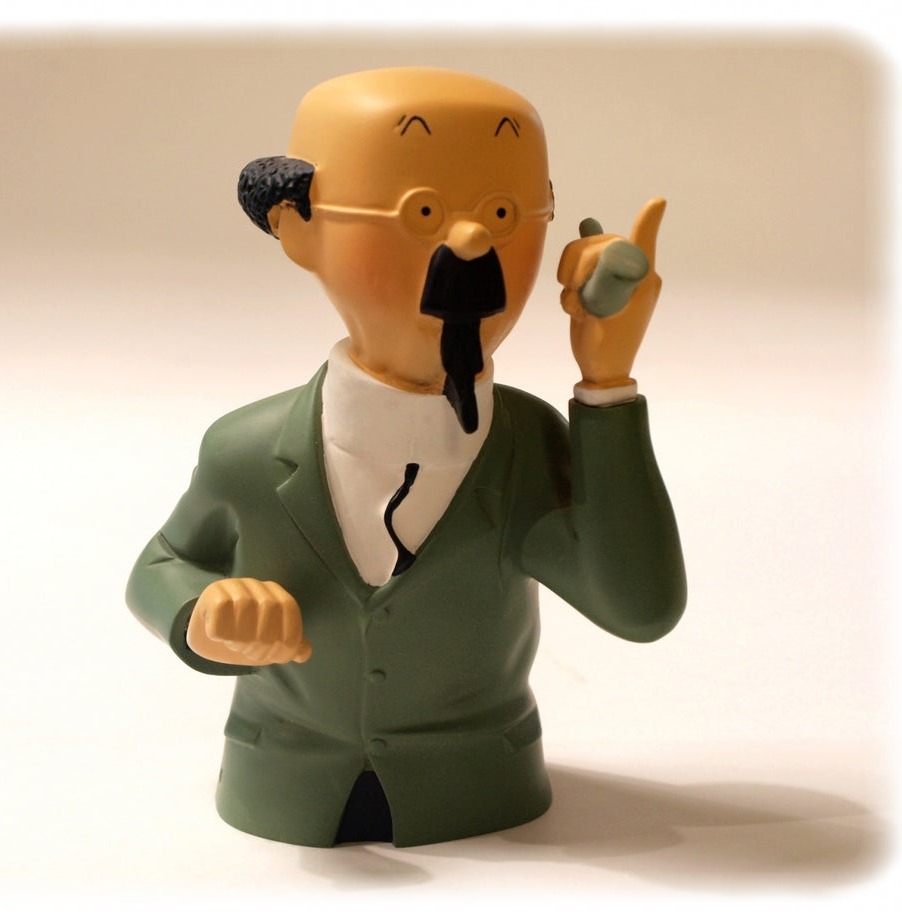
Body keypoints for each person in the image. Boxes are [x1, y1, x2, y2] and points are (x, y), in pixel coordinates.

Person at [126, 66, 686, 847]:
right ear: (297, 227)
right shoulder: (244, 450)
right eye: (421, 213)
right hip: (281, 779)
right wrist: (203, 617)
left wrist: (607, 385)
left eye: (503, 213)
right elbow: (161, 566)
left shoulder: (526, 446)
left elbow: (639, 607)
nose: (471, 242)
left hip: (482, 789)